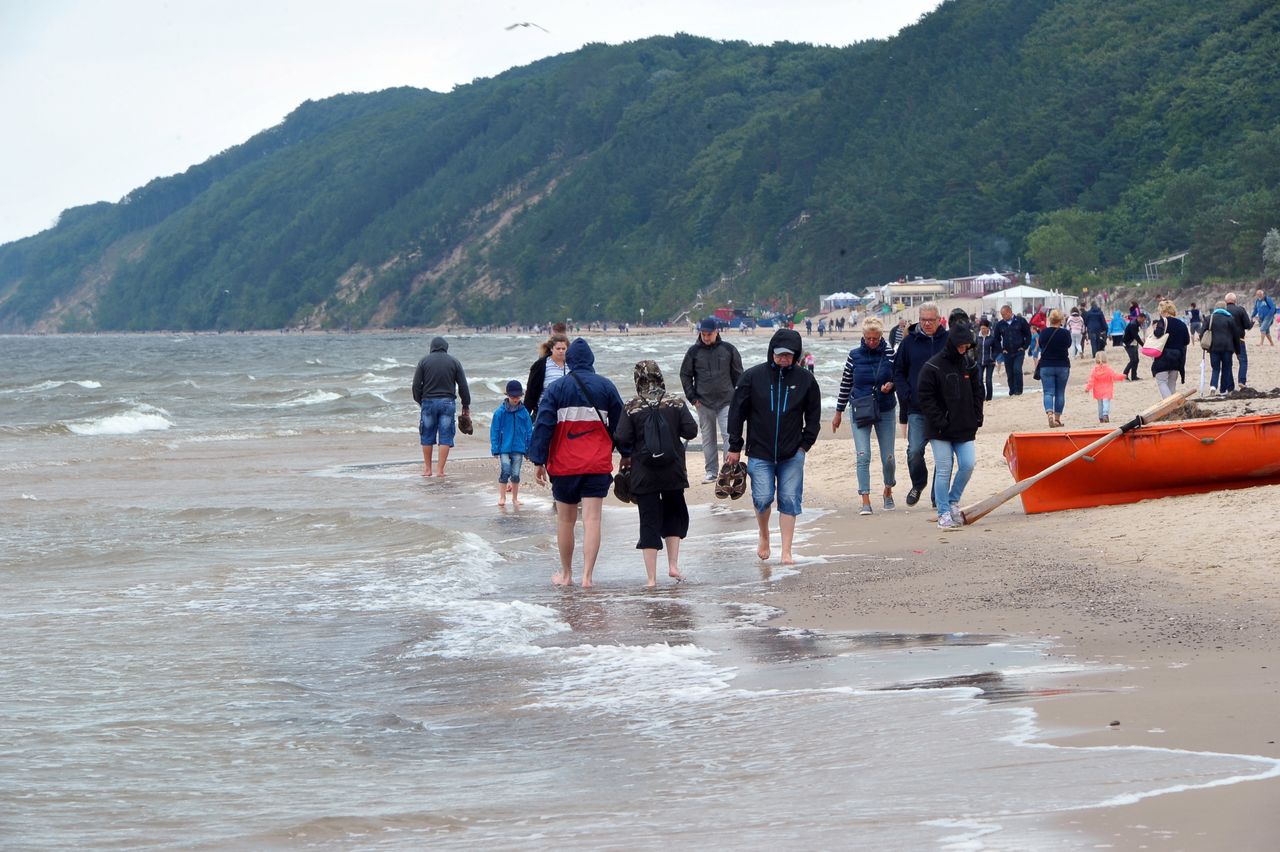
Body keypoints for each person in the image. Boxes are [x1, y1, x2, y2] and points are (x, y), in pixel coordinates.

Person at [528, 338, 624, 588]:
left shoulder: (556, 389)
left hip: (564, 465)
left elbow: (544, 425)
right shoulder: (607, 387)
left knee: (566, 521)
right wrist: (627, 453)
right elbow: (621, 426)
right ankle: (588, 577)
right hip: (595, 464)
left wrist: (538, 460)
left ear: (569, 361)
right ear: (591, 361)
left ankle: (567, 574)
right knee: (592, 520)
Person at [725, 328, 821, 565]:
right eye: (779, 354)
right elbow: (737, 412)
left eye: (788, 355)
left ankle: (786, 551)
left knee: (789, 499)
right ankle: (764, 534)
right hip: (759, 451)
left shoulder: (805, 379)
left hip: (792, 453)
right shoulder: (752, 377)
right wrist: (734, 446)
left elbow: (814, 416)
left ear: (796, 354)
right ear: (771, 352)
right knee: (763, 498)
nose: (783, 358)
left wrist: (804, 445)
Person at [614, 360, 698, 587]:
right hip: (673, 470)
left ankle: (651, 579)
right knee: (674, 515)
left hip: (644, 473)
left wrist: (633, 449)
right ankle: (673, 566)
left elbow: (621, 437)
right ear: (659, 376)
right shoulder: (675, 402)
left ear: (637, 379)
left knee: (648, 521)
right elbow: (691, 430)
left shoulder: (631, 405)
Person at [916, 322, 983, 530]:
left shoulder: (969, 365)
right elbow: (926, 398)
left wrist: (977, 417)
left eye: (967, 347)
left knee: (968, 464)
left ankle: (953, 501)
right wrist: (940, 421)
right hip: (939, 430)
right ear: (953, 344)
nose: (964, 350)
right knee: (944, 468)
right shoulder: (933, 367)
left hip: (964, 426)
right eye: (961, 346)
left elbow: (978, 393)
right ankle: (943, 512)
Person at [831, 316, 897, 516]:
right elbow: (845, 384)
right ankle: (865, 500)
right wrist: (838, 412)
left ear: (881, 336)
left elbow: (898, 376)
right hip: (860, 409)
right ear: (863, 336)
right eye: (868, 338)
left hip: (885, 408)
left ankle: (888, 490)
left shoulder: (890, 354)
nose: (871, 342)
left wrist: (891, 384)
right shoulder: (854, 355)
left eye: (875, 338)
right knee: (863, 455)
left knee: (888, 457)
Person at [893, 302, 949, 506]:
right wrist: (905, 393)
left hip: (944, 408)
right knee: (914, 451)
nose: (927, 323)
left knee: (942, 456)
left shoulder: (948, 341)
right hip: (917, 407)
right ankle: (919, 484)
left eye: (931, 320)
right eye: (923, 319)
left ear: (938, 319)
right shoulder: (909, 343)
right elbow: (898, 371)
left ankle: (937, 496)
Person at [679, 317, 744, 484]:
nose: (706, 337)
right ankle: (711, 472)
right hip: (703, 402)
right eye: (703, 334)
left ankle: (728, 470)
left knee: (729, 435)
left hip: (727, 400)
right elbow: (685, 375)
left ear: (717, 332)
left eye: (709, 334)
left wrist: (739, 397)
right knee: (708, 438)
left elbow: (739, 375)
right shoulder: (693, 352)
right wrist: (692, 398)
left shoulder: (729, 349)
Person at [412, 336, 471, 477]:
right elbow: (463, 385)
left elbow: (415, 385)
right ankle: (440, 470)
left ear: (431, 347)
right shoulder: (454, 362)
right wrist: (466, 404)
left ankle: (427, 469)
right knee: (445, 435)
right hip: (447, 402)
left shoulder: (423, 362)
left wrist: (420, 401)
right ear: (446, 347)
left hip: (428, 402)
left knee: (426, 435)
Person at [490, 379, 533, 507]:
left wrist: (528, 449)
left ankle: (515, 498)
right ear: (507, 395)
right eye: (513, 396)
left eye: (518, 396)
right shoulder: (500, 412)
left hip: (519, 447)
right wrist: (495, 448)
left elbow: (529, 431)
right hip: (504, 447)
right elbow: (494, 431)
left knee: (515, 473)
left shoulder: (524, 412)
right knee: (505, 469)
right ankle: (502, 497)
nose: (516, 399)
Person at [1037, 309, 1072, 427]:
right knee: (1060, 393)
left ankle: (1049, 414)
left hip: (1046, 365)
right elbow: (1068, 345)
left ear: (1050, 319)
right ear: (1061, 320)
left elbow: (1041, 345)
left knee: (1048, 392)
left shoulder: (1044, 332)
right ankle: (1057, 419)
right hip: (1062, 365)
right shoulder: (1065, 333)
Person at [524, 328, 570, 415]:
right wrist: (525, 416)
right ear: (551, 349)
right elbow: (531, 392)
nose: (561, 351)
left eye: (563, 348)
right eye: (558, 348)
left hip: (567, 414)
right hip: (544, 412)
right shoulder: (541, 365)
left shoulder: (572, 365)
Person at [1149, 300, 1190, 399]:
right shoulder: (1181, 324)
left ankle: (1169, 406)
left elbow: (1158, 334)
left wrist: (1155, 330)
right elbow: (1186, 341)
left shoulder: (1163, 321)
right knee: (1172, 384)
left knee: (1162, 381)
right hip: (1178, 357)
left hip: (1164, 356)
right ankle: (1173, 406)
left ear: (1162, 310)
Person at [993, 304, 1031, 397]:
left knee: (1017, 369)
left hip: (1019, 351)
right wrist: (1001, 350)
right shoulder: (1000, 324)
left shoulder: (1021, 321)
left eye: (1004, 314)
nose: (1003, 317)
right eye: (1002, 315)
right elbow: (996, 339)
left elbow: (1028, 335)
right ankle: (1012, 391)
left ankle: (1019, 391)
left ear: (1010, 312)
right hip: (1007, 352)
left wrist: (1024, 347)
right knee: (1009, 372)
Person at [1203, 300, 1240, 394]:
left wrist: (1206, 346)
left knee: (1215, 368)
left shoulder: (1209, 318)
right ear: (1225, 308)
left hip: (1214, 348)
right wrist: (1237, 350)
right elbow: (1236, 336)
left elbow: (1202, 332)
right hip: (1228, 348)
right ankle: (1223, 390)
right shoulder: (1230, 318)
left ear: (1215, 308)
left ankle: (1213, 386)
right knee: (1226, 368)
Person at [1084, 352, 1127, 423]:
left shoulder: (1094, 370)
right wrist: (1122, 376)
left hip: (1098, 391)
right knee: (1106, 403)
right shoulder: (1108, 369)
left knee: (1100, 404)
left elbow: (1091, 380)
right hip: (1107, 390)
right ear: (1105, 359)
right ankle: (1105, 415)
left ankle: (1100, 417)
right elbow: (1114, 376)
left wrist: (1087, 388)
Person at [1223, 293, 1253, 387]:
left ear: (1225, 301)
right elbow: (1247, 325)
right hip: (1239, 339)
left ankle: (1230, 385)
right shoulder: (1240, 309)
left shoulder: (1223, 311)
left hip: (1226, 340)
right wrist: (1252, 323)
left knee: (1228, 362)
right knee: (1243, 361)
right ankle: (1241, 381)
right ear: (1235, 301)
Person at [976, 317, 998, 401]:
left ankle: (989, 397)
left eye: (984, 328)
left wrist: (993, 358)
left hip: (990, 362)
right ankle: (982, 396)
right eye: (981, 328)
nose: (983, 330)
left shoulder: (992, 337)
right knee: (979, 379)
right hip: (979, 361)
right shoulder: (978, 337)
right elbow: (974, 349)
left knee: (988, 380)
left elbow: (996, 349)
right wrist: (974, 358)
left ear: (988, 328)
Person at [1122, 312, 1143, 382]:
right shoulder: (1133, 324)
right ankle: (1125, 374)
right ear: (1139, 318)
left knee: (1136, 360)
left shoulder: (1137, 324)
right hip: (1128, 344)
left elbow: (1137, 336)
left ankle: (1134, 376)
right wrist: (1143, 344)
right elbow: (1136, 336)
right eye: (1143, 320)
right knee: (1133, 360)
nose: (1143, 321)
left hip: (1134, 343)